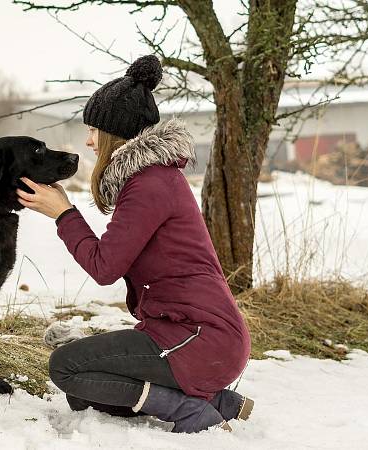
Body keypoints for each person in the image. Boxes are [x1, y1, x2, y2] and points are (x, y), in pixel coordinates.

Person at [16, 55, 253, 433]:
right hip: (181, 333)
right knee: (84, 393)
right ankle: (218, 399)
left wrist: (63, 214)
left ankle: (189, 409)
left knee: (66, 366)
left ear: (117, 134)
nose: (89, 141)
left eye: (94, 130)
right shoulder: (150, 179)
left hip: (200, 339)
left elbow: (104, 268)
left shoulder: (149, 184)